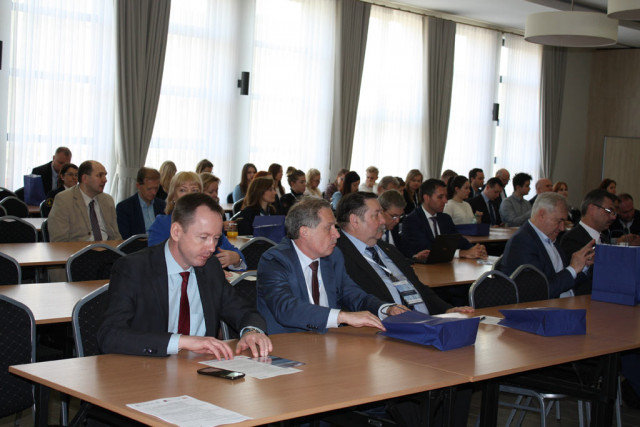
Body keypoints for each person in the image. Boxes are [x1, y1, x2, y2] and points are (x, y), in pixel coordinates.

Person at [98, 193, 271, 358]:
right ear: (176, 232)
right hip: (149, 371)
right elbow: (110, 335)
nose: (211, 247)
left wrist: (252, 331)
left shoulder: (210, 268)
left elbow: (244, 311)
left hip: (201, 370)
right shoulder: (134, 268)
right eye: (203, 237)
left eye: (216, 238)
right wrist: (182, 341)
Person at [256, 197, 407, 335]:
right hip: (289, 345)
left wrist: (385, 309)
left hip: (330, 342)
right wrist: (341, 316)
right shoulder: (274, 260)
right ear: (305, 232)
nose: (337, 234)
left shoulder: (333, 257)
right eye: (329, 228)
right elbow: (286, 309)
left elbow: (353, 295)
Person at [336, 191, 474, 316]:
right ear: (355, 221)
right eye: (376, 215)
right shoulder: (336, 255)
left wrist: (446, 310)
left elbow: (419, 287)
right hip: (387, 329)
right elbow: (351, 300)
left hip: (425, 321)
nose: (383, 220)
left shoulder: (388, 250)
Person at [499, 192, 593, 298]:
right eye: (559, 221)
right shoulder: (522, 243)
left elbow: (565, 280)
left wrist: (583, 266)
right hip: (542, 310)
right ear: (541, 214)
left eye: (564, 222)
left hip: (566, 303)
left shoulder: (550, 238)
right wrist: (573, 268)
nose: (562, 228)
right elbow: (540, 291)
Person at [148, 172, 245, 271]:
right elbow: (156, 262)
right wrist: (209, 272)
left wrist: (236, 259)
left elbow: (242, 262)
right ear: (173, 196)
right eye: (183, 190)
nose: (189, 195)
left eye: (195, 190)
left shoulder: (210, 225)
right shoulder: (162, 224)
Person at [400, 179, 487, 260]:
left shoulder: (445, 218)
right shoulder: (411, 221)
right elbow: (427, 250)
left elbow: (458, 240)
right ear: (426, 198)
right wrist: (461, 253)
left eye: (446, 196)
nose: (445, 201)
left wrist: (475, 248)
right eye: (440, 197)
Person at [48, 160, 121, 242]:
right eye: (100, 175)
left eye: (105, 175)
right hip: (79, 252)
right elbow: (59, 241)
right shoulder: (64, 200)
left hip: (108, 250)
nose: (105, 180)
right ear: (85, 178)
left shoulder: (108, 200)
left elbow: (116, 236)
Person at [560, 189, 617, 295]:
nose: (613, 217)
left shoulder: (604, 238)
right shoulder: (572, 239)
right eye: (609, 211)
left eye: (614, 213)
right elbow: (576, 279)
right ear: (592, 209)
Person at [116, 167, 166, 239]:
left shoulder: (163, 205)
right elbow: (125, 239)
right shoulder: (125, 208)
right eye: (149, 189)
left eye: (156, 188)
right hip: (137, 248)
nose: (154, 192)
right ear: (138, 186)